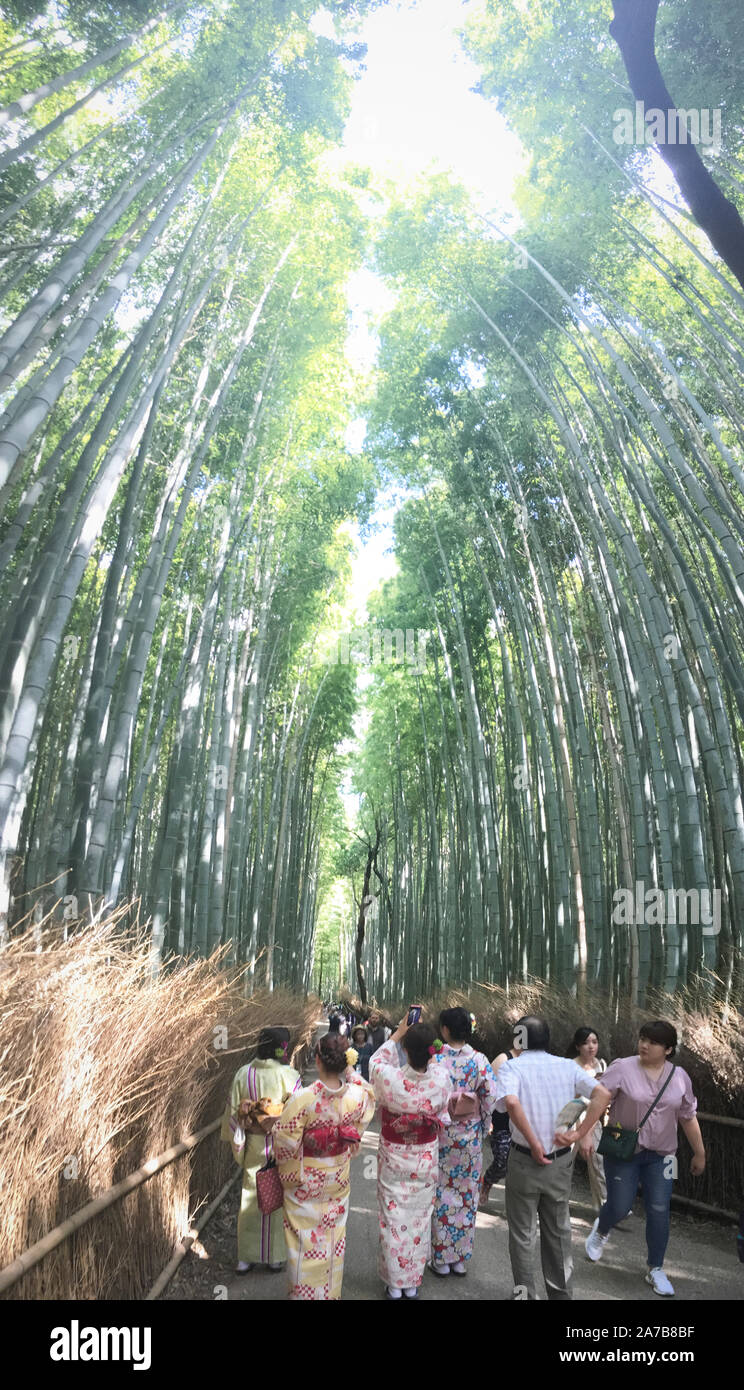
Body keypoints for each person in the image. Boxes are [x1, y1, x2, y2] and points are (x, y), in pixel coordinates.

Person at [568, 1020, 705, 1297]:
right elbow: (598, 1100)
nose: (644, 1044)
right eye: (642, 1038)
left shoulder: (680, 1077)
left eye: (652, 1042)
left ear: (668, 1049)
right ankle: (602, 1228)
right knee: (619, 1205)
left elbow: (688, 1116)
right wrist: (583, 1133)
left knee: (659, 1208)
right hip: (624, 1151)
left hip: (664, 1155)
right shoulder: (622, 1067)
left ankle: (655, 1268)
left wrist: (700, 1152)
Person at [495, 1015, 610, 1300]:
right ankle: (561, 1296)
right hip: (560, 1161)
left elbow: (510, 1101)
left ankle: (525, 1295)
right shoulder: (566, 1067)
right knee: (558, 1231)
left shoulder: (512, 1066)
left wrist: (534, 1143)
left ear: (519, 1039)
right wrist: (578, 1133)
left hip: (523, 1159)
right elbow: (602, 1095)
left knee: (522, 1234)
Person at [272, 1032, 375, 1300]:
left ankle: (304, 1294)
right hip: (337, 1177)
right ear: (346, 1062)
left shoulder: (303, 1099)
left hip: (304, 1180)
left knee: (303, 1240)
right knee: (333, 1238)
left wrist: (289, 1170)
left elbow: (284, 1143)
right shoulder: (356, 1096)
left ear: (317, 1061)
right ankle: (329, 1294)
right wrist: (350, 1073)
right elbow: (369, 1099)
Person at [369, 1017, 453, 1300]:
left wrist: (398, 1034)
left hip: (394, 1155)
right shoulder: (441, 1079)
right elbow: (441, 1092)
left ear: (405, 1048)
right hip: (424, 1156)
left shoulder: (391, 1078)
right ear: (434, 1051)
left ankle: (395, 1284)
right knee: (419, 1218)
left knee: (393, 1216)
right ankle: (412, 1282)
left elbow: (376, 1062)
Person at [222, 1027, 301, 1274]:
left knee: (251, 1194)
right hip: (281, 1145)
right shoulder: (289, 1075)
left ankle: (246, 1257)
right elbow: (298, 1113)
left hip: (254, 1145)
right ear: (282, 1048)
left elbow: (234, 1114)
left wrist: (241, 1141)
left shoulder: (243, 1074)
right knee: (278, 1195)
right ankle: (275, 1256)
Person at [430, 1007, 499, 1276]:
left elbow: (430, 1094)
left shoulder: (436, 1060)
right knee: (466, 1194)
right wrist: (482, 1127)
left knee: (441, 1194)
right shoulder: (480, 1059)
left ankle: (441, 1257)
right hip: (469, 1137)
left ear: (445, 1030)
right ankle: (459, 1258)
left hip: (442, 1134)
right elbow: (491, 1098)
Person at [481, 1021, 525, 1206]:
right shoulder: (503, 1059)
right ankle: (487, 1181)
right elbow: (487, 1089)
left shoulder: (533, 1062)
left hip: (523, 1120)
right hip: (501, 1120)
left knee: (520, 1165)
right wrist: (486, 1118)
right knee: (501, 1162)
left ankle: (515, 1203)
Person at [567, 1026, 607, 1210]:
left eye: (594, 1042)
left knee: (599, 1161)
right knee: (564, 1163)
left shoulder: (603, 1065)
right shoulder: (570, 1066)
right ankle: (556, 1202)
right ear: (577, 1046)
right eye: (586, 1043)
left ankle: (605, 1207)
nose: (591, 1047)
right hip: (570, 1117)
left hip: (592, 1118)